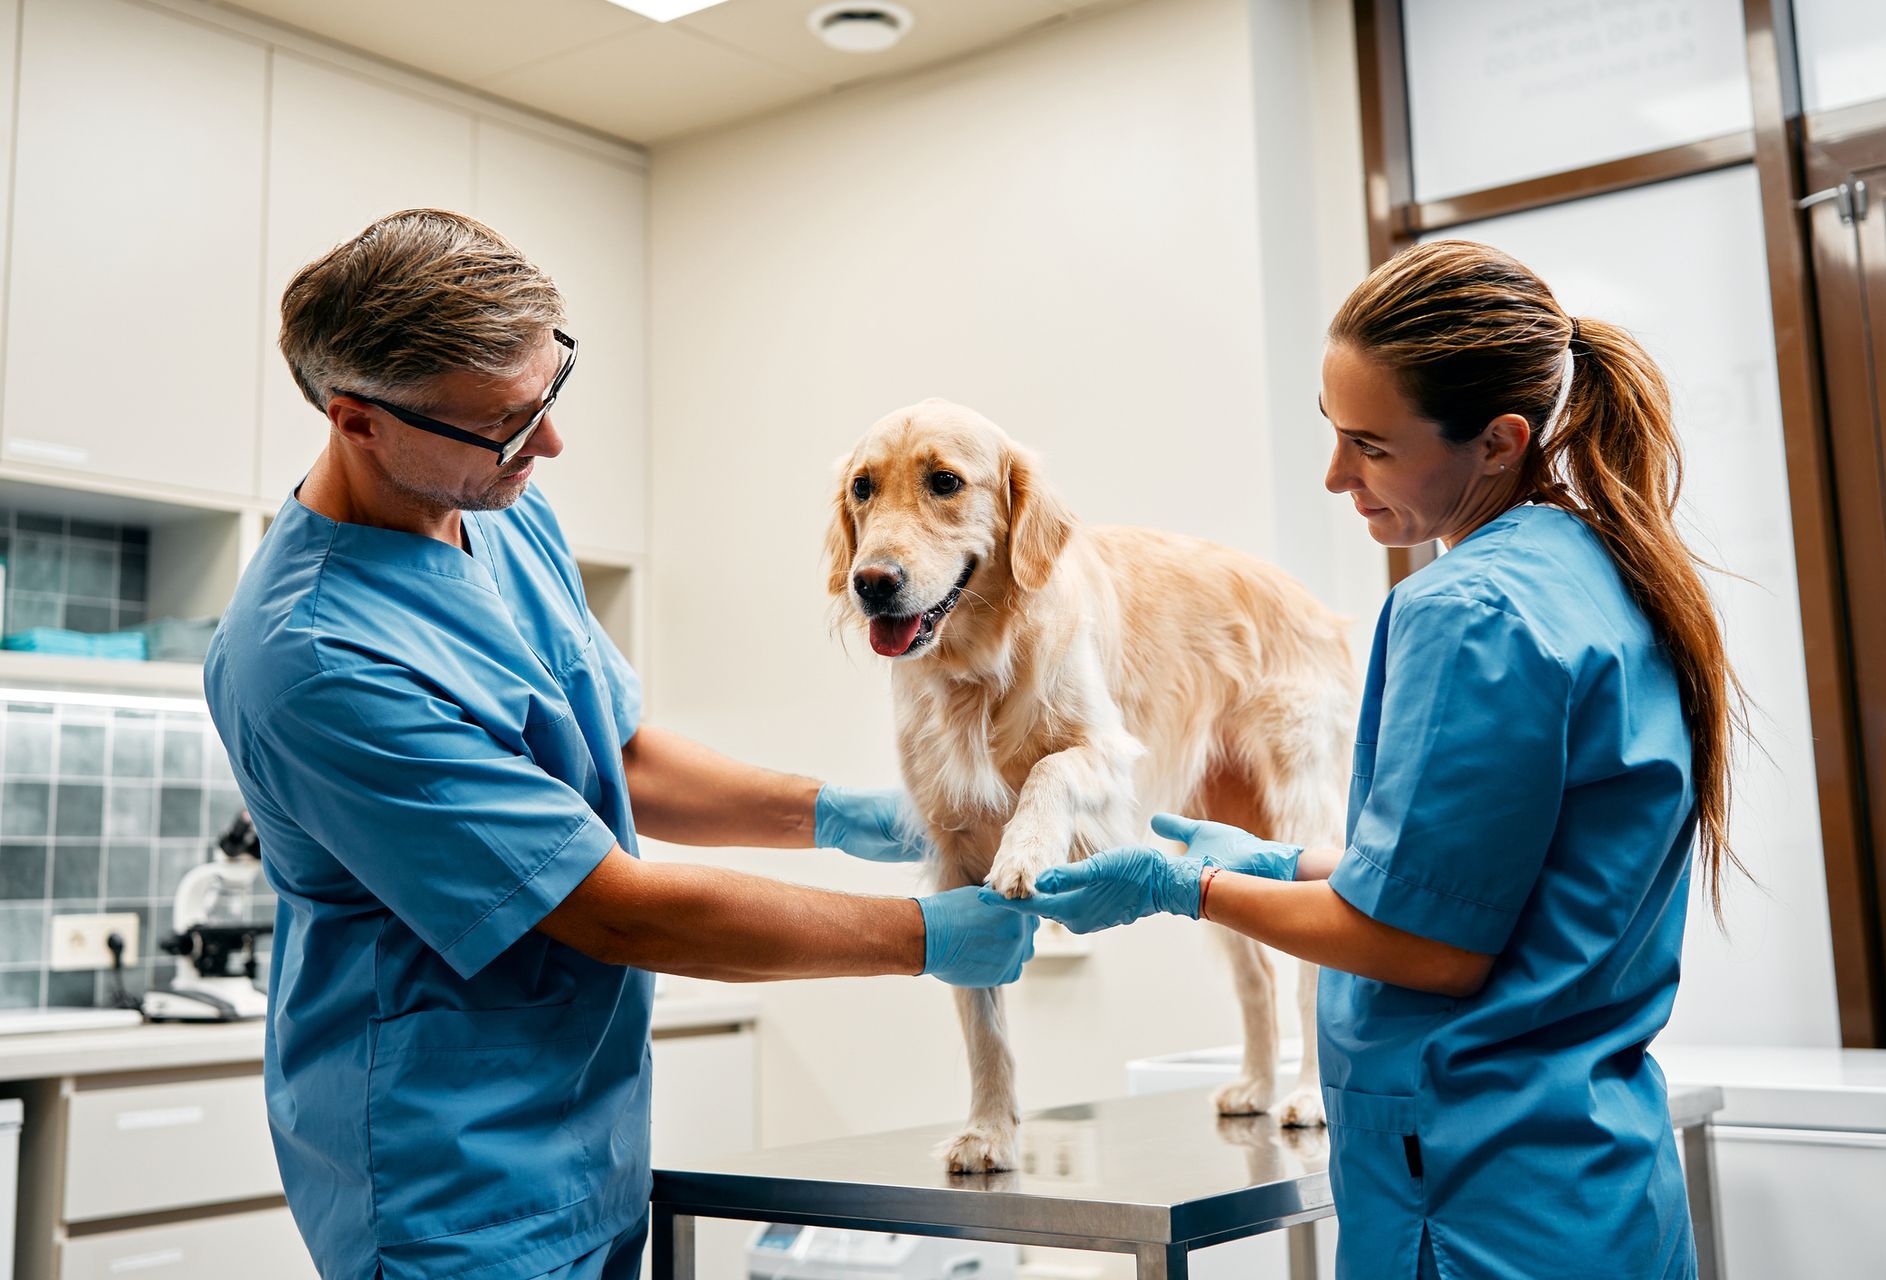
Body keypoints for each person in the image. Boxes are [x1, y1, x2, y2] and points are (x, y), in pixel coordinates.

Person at [204, 208, 1035, 1280]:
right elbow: (606, 904)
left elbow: (619, 755)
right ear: (358, 421)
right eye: (507, 422)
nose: (547, 444)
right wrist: (924, 931)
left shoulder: (498, 509)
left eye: (551, 392)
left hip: (590, 1138)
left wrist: (844, 813)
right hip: (448, 1185)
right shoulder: (313, 657)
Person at [991, 239, 1740, 1279]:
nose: (1337, 474)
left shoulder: (1467, 609)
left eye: (1372, 446)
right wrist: (1283, 862)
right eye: (1333, 433)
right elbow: (1488, 884)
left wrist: (1191, 885)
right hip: (1590, 1182)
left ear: (1499, 441)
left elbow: (1431, 949)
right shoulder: (1604, 571)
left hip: (1479, 1204)